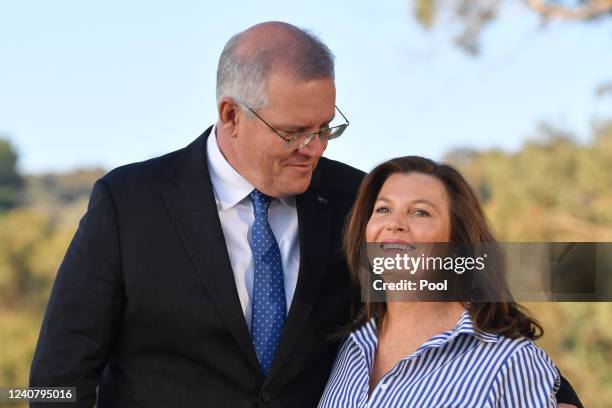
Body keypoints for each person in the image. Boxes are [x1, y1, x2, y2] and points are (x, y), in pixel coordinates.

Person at [29, 21, 580, 408]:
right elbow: (57, 376)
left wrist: (554, 394)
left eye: (326, 128)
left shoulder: (356, 201)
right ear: (231, 115)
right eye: (293, 132)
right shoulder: (130, 202)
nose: (314, 149)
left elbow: (469, 275)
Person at [319, 156, 583, 407]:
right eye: (383, 209)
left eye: (420, 212)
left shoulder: (511, 361)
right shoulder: (348, 345)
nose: (394, 224)